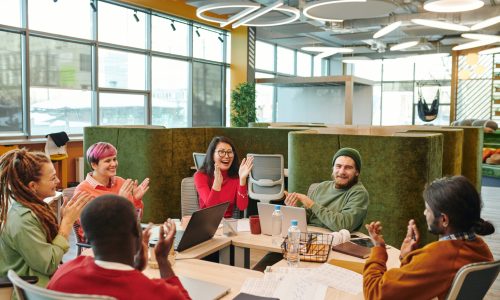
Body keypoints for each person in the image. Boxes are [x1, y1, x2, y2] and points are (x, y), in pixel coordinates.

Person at [364, 176, 494, 300]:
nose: (424, 213)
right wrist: (409, 258)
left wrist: (378, 249)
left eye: (427, 209)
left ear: (444, 219)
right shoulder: (481, 248)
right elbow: (421, 286)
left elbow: (376, 294)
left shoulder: (439, 257)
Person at [47, 194, 190, 300]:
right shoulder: (158, 294)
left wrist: (136, 267)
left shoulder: (63, 275)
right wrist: (163, 260)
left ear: (88, 237)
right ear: (138, 234)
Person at [0, 149, 92, 286]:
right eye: (52, 178)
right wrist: (67, 223)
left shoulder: (34, 208)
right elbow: (49, 264)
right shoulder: (23, 220)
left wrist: (63, 218)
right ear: (33, 186)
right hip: (32, 292)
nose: (58, 181)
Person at [74, 142, 150, 240]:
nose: (113, 164)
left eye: (114, 159)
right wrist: (119, 202)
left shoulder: (120, 182)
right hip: (99, 244)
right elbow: (94, 229)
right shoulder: (83, 190)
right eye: (107, 161)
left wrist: (136, 200)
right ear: (94, 165)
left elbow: (134, 220)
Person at [285, 147, 369, 232]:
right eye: (338, 166)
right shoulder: (322, 186)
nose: (341, 172)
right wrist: (294, 209)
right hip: (309, 235)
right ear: (333, 168)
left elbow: (343, 225)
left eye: (348, 167)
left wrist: (312, 204)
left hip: (337, 241)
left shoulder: (359, 193)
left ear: (357, 172)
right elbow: (305, 218)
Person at [194, 136, 253, 218]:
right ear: (212, 155)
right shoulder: (200, 176)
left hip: (228, 224)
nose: (226, 156)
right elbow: (211, 210)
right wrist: (216, 186)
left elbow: (242, 206)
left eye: (230, 152)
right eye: (221, 152)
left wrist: (242, 180)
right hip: (206, 223)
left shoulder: (235, 176)